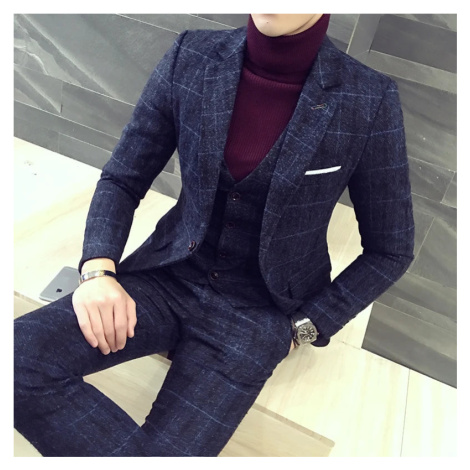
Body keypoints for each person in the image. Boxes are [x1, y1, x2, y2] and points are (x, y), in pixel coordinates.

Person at [14, 13, 415, 457]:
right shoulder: (192, 56)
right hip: (167, 276)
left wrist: (304, 327)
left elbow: (390, 249)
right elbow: (123, 178)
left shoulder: (368, 98)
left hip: (259, 313)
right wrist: (97, 270)